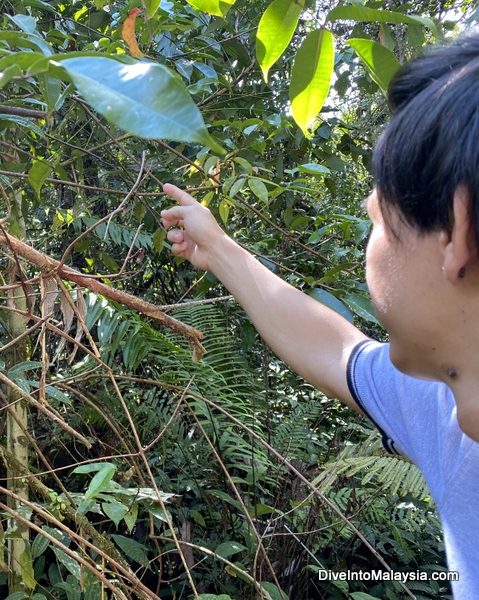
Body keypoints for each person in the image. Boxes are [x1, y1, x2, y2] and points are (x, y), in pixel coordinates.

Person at [160, 32, 479, 599]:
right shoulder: (453, 413)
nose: (372, 242)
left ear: (454, 230)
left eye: (376, 219)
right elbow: (339, 353)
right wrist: (220, 250)